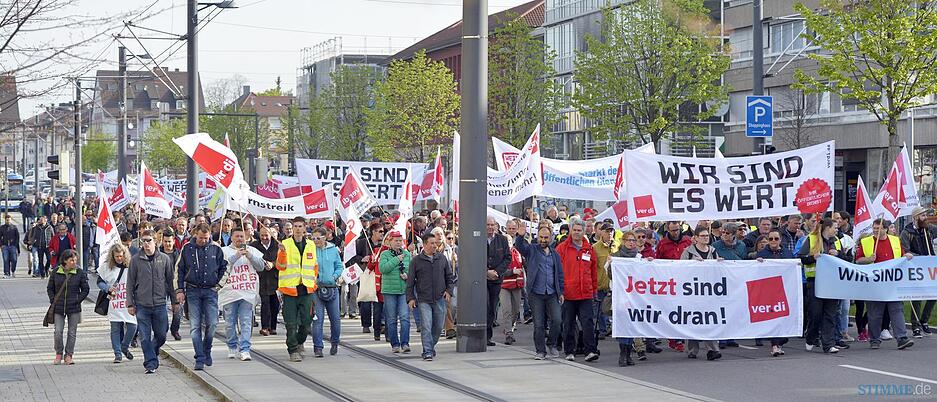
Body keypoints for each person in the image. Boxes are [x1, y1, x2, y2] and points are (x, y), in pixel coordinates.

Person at [856, 218, 915, 350]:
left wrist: (907, 257)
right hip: (874, 283)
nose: (876, 231)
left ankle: (902, 338)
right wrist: (868, 259)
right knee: (875, 313)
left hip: (892, 282)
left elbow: (900, 257)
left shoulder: (895, 240)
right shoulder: (865, 242)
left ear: (886, 229)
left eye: (879, 228)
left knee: (896, 310)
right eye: (874, 228)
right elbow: (858, 260)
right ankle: (875, 339)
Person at [175, 223, 227, 370]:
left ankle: (207, 349)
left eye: (206, 238)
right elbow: (179, 269)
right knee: (194, 325)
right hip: (192, 291)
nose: (203, 241)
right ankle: (199, 357)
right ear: (195, 235)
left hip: (211, 291)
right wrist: (179, 290)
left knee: (212, 324)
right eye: (200, 238)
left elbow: (225, 267)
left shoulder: (216, 248)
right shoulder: (187, 248)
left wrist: (219, 285)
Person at [127, 229, 179, 374]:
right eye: (144, 241)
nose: (146, 243)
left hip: (160, 304)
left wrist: (175, 301)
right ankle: (150, 363)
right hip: (142, 305)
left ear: (155, 241)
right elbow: (130, 283)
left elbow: (170, 281)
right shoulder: (136, 260)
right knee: (144, 337)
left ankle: (153, 351)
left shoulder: (164, 259)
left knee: (162, 334)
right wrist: (130, 303)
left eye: (149, 240)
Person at [798, 218, 849, 354]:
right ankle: (811, 337)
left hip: (832, 282)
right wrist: (813, 257)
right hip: (815, 281)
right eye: (835, 227)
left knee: (830, 314)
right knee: (816, 314)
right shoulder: (812, 239)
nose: (837, 230)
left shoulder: (836, 241)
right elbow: (802, 257)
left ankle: (828, 344)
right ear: (827, 228)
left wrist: (838, 254)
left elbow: (846, 259)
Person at [275, 217, 318, 362]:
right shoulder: (285, 244)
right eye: (295, 226)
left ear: (305, 228)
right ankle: (293, 350)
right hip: (290, 289)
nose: (298, 229)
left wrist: (314, 281)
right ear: (292, 228)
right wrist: (282, 253)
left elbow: (314, 265)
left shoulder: (311, 244)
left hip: (306, 289)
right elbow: (280, 266)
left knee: (306, 322)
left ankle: (300, 341)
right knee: (291, 323)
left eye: (300, 226)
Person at [406, 232, 455, 361]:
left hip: (440, 298)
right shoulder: (416, 261)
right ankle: (427, 350)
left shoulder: (442, 258)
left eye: (435, 243)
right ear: (425, 244)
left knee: (438, 326)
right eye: (432, 243)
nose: (435, 245)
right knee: (426, 326)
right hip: (424, 299)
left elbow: (450, 277)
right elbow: (410, 281)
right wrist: (410, 298)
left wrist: (449, 291)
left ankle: (430, 346)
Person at [556, 217, 599, 362]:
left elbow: (593, 271)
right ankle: (569, 351)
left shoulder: (589, 249)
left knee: (587, 322)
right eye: (574, 230)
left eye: (579, 230)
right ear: (570, 231)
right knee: (568, 324)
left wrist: (594, 290)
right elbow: (555, 269)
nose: (576, 233)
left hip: (585, 292)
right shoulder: (562, 248)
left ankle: (590, 351)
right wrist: (559, 290)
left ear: (583, 232)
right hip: (567, 293)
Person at [220, 227, 265, 362]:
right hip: (230, 292)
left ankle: (245, 349)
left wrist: (250, 256)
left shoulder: (252, 251)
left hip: (247, 292)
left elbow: (261, 266)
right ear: (231, 238)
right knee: (230, 322)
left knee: (246, 322)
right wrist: (236, 256)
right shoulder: (224, 251)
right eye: (237, 236)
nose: (239, 239)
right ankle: (232, 346)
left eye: (242, 236)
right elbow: (222, 266)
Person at [680, 227, 723, 361]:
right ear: (696, 238)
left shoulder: (713, 251)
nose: (706, 238)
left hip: (709, 290)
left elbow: (718, 272)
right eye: (703, 236)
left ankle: (713, 349)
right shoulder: (688, 252)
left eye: (707, 235)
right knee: (694, 320)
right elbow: (680, 270)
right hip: (692, 290)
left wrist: (720, 264)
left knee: (709, 320)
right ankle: (692, 350)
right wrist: (691, 265)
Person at [755, 228, 794, 357]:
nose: (773, 241)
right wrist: (757, 263)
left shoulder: (788, 253)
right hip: (769, 291)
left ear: (780, 240)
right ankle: (775, 345)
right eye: (770, 239)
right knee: (774, 317)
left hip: (785, 289)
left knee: (784, 318)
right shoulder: (762, 254)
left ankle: (780, 341)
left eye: (776, 239)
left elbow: (793, 267)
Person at [899, 206, 937, 338]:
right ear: (915, 217)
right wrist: (916, 257)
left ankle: (924, 320)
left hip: (930, 268)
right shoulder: (907, 232)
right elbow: (905, 250)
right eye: (923, 216)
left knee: (934, 295)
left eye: (926, 215)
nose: (925, 218)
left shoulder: (928, 229)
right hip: (916, 268)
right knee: (917, 296)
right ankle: (915, 325)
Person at [47, 249, 88, 365]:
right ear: (65, 261)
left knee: (72, 332)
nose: (74, 262)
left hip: (73, 307)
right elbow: (50, 288)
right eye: (71, 260)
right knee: (58, 332)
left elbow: (86, 289)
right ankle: (58, 353)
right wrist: (53, 300)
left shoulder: (79, 272)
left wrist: (77, 300)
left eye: (75, 260)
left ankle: (69, 355)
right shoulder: (56, 271)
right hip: (59, 307)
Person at [97, 244, 136, 363]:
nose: (119, 258)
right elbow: (100, 281)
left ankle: (124, 346)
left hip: (128, 301)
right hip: (114, 302)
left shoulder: (131, 266)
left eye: (121, 256)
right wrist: (107, 288)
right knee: (115, 328)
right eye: (116, 256)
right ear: (112, 256)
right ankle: (117, 353)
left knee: (133, 326)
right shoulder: (107, 267)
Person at [311, 227, 343, 357]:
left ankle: (335, 342)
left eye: (318, 238)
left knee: (335, 319)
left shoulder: (333, 250)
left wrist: (335, 276)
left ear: (325, 237)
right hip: (316, 288)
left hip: (332, 287)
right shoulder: (311, 250)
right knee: (317, 319)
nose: (315, 241)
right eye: (313, 238)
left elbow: (339, 266)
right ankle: (318, 347)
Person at [379, 230, 412, 354]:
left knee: (404, 317)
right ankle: (395, 344)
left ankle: (405, 343)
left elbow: (412, 270)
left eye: (400, 240)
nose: (398, 243)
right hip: (389, 290)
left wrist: (407, 276)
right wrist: (396, 260)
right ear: (390, 242)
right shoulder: (385, 254)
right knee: (391, 319)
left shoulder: (407, 254)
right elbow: (383, 269)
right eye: (396, 241)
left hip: (403, 289)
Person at [485, 217, 511, 347]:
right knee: (486, 306)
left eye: (492, 225)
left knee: (492, 309)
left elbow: (507, 258)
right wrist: (486, 272)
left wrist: (497, 272)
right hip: (482, 279)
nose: (490, 227)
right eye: (487, 225)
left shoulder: (502, 239)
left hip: (496, 279)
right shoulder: (478, 239)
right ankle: (482, 335)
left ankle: (488, 337)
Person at [250, 226, 280, 336]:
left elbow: (283, 260)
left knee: (275, 304)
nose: (264, 238)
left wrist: (273, 264)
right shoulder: (254, 246)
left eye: (266, 235)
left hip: (275, 279)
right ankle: (265, 327)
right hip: (261, 279)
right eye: (262, 235)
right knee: (265, 303)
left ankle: (273, 327)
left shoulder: (277, 245)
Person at [591, 222, 617, 340]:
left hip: (615, 283)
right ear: (601, 232)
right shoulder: (595, 248)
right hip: (601, 283)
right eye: (607, 231)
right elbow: (592, 266)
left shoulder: (618, 246)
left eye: (611, 231)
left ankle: (613, 328)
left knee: (614, 308)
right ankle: (602, 329)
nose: (609, 233)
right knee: (601, 309)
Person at [159, 230, 183, 341]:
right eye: (165, 241)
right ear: (162, 241)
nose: (167, 244)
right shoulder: (157, 253)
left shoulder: (178, 253)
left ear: (173, 241)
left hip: (175, 284)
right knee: (161, 309)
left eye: (169, 241)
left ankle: (175, 330)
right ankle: (163, 328)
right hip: (161, 284)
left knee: (177, 309)